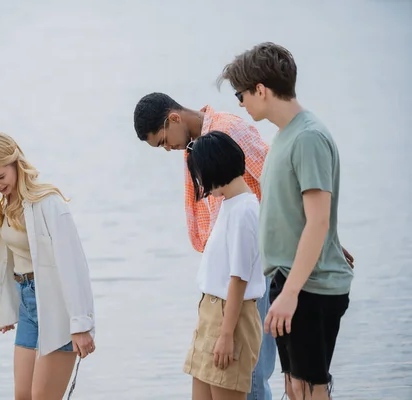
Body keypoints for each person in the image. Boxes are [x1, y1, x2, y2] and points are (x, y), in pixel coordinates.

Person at [218, 42, 355, 400]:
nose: (241, 104)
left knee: (311, 390)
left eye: (240, 94)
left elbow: (318, 220)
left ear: (260, 90)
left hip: (309, 288)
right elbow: (298, 214)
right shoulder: (284, 137)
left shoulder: (307, 137)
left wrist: (291, 293)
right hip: (288, 281)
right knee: (294, 388)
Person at [133, 92, 276, 400]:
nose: (168, 148)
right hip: (216, 291)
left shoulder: (227, 132)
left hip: (250, 276)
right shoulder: (196, 152)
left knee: (250, 382)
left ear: (173, 119)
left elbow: (277, 182)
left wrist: (321, 239)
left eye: (162, 141)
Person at [0, 132, 96, 400]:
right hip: (28, 306)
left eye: (0, 177)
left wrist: (81, 324)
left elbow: (74, 265)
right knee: (22, 396)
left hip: (57, 308)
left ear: (16, 164)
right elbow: (11, 262)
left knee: (43, 397)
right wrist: (8, 307)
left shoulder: (48, 202)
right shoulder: (7, 203)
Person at [183, 131, 265, 400]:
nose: (199, 182)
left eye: (199, 174)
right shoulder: (230, 204)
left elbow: (239, 278)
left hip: (231, 317)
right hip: (211, 312)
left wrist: (227, 334)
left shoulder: (244, 210)